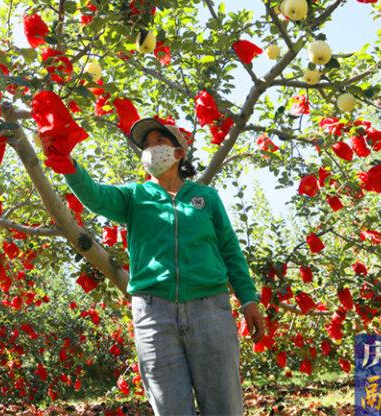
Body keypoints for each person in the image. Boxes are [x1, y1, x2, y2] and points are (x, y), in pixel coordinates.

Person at [60, 117, 265, 416]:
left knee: (225, 407)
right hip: (154, 316)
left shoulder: (205, 198)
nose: (151, 149)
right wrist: (68, 165)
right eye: (146, 145)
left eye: (160, 142)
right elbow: (94, 196)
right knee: (170, 410)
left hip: (210, 311)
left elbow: (230, 251)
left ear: (179, 152)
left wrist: (248, 299)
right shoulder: (134, 197)